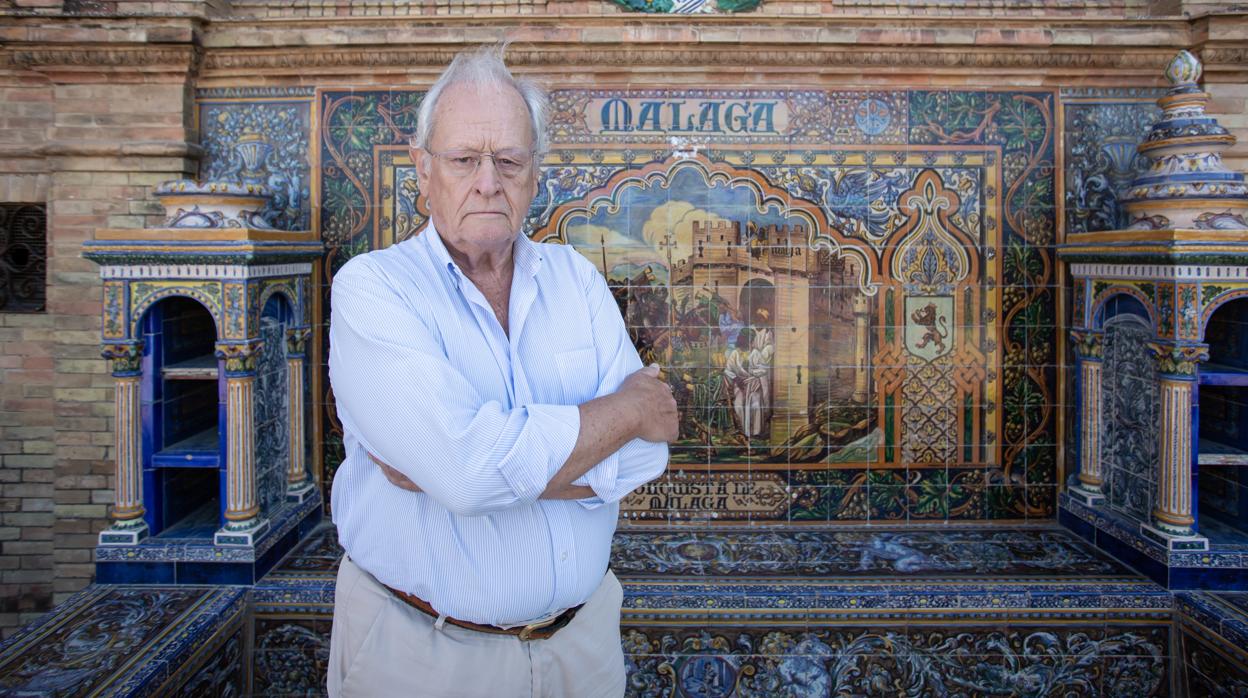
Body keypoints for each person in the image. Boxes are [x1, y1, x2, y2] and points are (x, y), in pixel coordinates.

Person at [326, 46, 677, 697]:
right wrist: (622, 414)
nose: (488, 181)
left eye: (509, 160)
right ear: (423, 170)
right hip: (424, 654)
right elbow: (468, 473)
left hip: (583, 648)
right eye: (464, 160)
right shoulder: (374, 290)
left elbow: (647, 455)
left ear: (534, 174)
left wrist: (476, 469)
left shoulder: (576, 279)